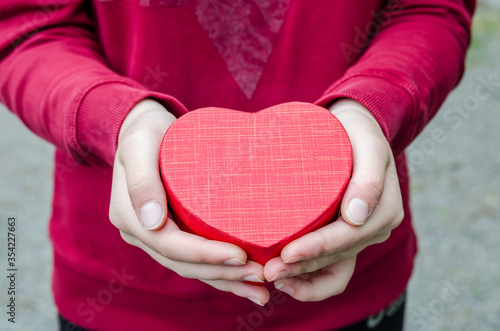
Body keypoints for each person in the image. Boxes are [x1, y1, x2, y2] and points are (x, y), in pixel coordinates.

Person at [0, 0, 474, 330]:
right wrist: (116, 118)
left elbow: (428, 8)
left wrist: (372, 106)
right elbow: (28, 26)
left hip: (347, 270)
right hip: (121, 292)